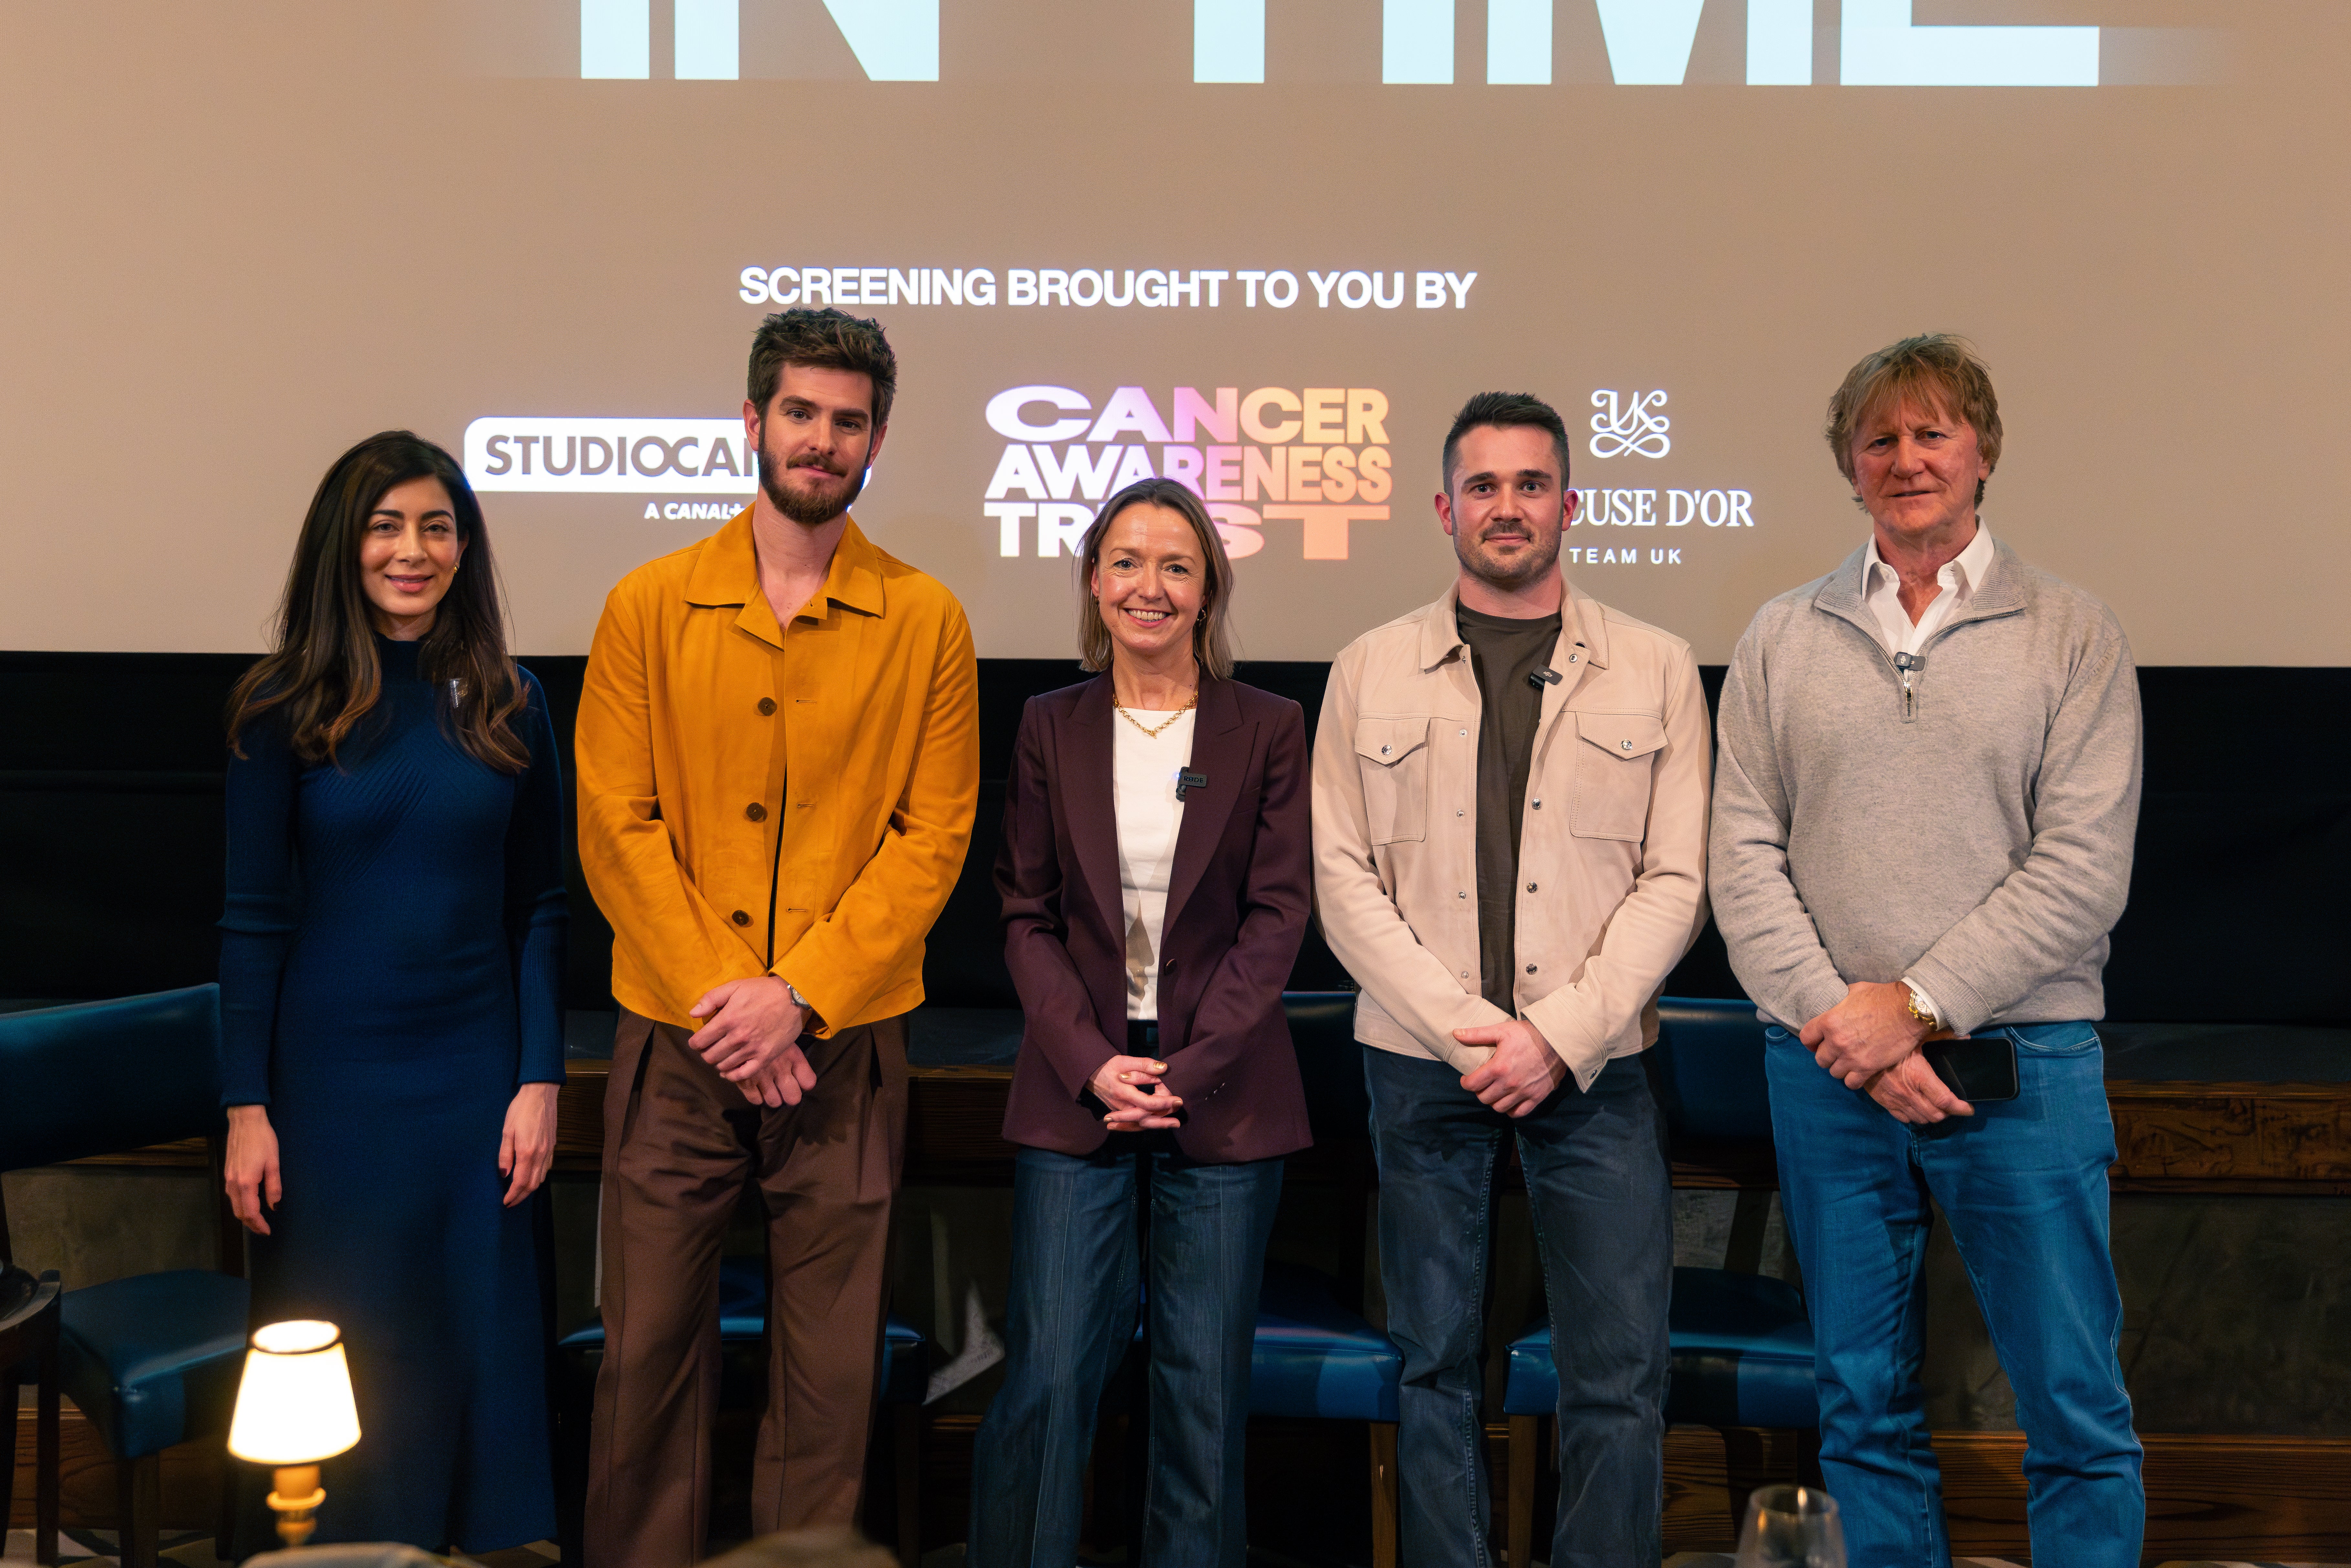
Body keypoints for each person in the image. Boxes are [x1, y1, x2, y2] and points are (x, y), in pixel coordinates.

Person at [1709, 333, 2145, 1564]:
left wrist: (1913, 1006)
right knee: (1860, 1406)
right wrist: (1847, 1027)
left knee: (2072, 1405)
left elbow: (2080, 871)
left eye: (1932, 432)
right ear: (1849, 468)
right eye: (1880, 439)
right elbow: (1740, 861)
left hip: (2023, 1066)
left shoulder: (2072, 633)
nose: (1906, 459)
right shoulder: (1780, 637)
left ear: (1983, 451)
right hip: (1827, 1072)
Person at [575, 307, 980, 1566]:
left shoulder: (926, 620)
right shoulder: (647, 605)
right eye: (799, 413)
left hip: (842, 1051)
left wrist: (795, 997)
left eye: (847, 421)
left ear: (876, 441)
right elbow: (615, 824)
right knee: (642, 1365)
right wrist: (728, 1000)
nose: (822, 439)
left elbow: (932, 839)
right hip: (673, 1045)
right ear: (751, 423)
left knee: (828, 1383)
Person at [1312, 392, 1711, 1564]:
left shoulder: (1656, 666)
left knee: (1618, 1371)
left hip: (1594, 1071)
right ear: (1444, 508)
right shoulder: (1365, 668)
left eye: (1529, 484)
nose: (1505, 506)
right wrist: (1466, 1031)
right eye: (1482, 486)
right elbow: (1340, 881)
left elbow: (1676, 879)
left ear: (1569, 506)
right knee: (1433, 1364)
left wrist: (1558, 1034)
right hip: (1419, 1066)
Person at [219, 430, 566, 1552]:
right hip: (328, 1094)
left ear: (464, 545)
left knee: (475, 1345)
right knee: (347, 1349)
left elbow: (538, 910)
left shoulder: (513, 700)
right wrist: (246, 1104)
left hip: (476, 1088)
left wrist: (539, 1077)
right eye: (385, 525)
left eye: (435, 526)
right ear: (345, 543)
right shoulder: (278, 708)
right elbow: (252, 921)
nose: (411, 551)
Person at [969, 479, 1313, 1568]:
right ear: (1092, 581)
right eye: (1125, 562)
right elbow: (1023, 910)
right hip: (1080, 1086)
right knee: (1052, 1377)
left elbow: (1277, 911)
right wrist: (1093, 1062)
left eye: (1174, 564)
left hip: (1222, 1090)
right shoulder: (1046, 724)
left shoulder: (1267, 726)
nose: (1148, 585)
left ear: (1208, 586)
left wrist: (1185, 1065)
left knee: (1201, 1391)